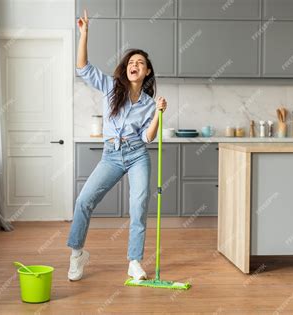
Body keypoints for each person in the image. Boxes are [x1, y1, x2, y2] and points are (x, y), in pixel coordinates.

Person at [67, 10, 167, 281]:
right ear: (126, 68)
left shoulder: (148, 103)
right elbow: (82, 68)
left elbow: (148, 138)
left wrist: (158, 113)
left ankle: (134, 261)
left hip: (137, 155)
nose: (135, 64)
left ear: (147, 72)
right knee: (84, 201)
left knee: (138, 205)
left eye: (141, 63)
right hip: (111, 155)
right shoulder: (112, 87)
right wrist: (84, 33)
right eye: (131, 61)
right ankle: (77, 254)